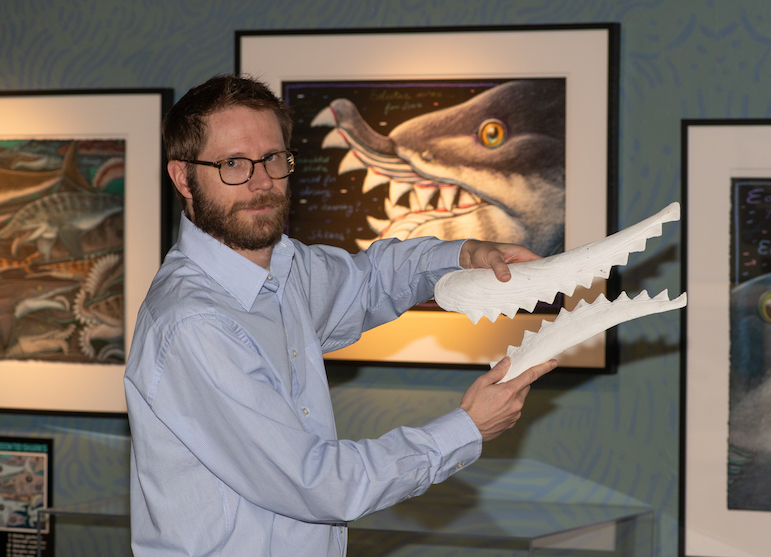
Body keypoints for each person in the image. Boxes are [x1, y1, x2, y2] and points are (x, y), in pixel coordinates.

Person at [124, 74, 557, 557]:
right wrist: (467, 428)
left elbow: (371, 279)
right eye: (233, 164)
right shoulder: (193, 325)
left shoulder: (285, 268)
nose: (262, 181)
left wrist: (466, 254)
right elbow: (319, 485)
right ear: (184, 178)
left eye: (272, 159)